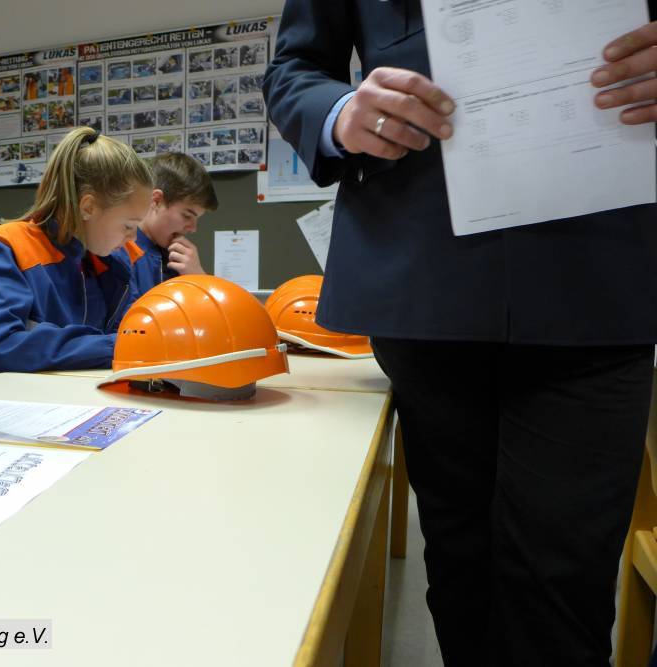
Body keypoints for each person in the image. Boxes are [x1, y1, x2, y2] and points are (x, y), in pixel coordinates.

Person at [264, 4, 657, 666]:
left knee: (564, 585)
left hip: (599, 269)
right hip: (424, 271)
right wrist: (341, 112)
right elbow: (295, 66)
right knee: (459, 565)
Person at [0, 126, 152, 375]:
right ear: (88, 207)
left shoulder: (113, 262)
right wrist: (118, 347)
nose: (133, 238)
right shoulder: (5, 247)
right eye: (128, 225)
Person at [132, 152, 218, 294]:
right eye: (187, 216)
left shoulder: (178, 259)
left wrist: (198, 277)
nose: (193, 228)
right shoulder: (119, 251)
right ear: (156, 200)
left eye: (197, 219)